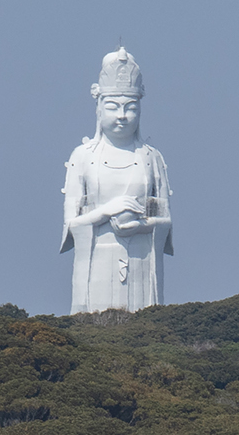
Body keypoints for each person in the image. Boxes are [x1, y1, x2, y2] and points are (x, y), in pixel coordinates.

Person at [60, 49, 172, 313]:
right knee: (94, 324)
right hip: (96, 261)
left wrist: (141, 225)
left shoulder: (151, 158)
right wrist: (105, 212)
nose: (122, 116)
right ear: (99, 108)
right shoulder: (82, 157)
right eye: (113, 107)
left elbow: (165, 221)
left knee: (143, 321)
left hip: (142, 261)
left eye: (130, 108)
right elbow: (71, 226)